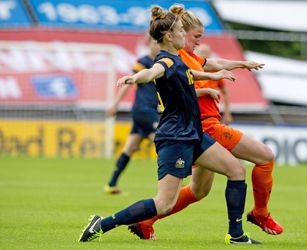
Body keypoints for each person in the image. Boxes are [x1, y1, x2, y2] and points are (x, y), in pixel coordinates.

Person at [78, 5, 260, 244]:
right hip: (176, 138)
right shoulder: (164, 61)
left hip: (193, 134)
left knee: (237, 170)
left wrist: (215, 77)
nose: (185, 35)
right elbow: (152, 72)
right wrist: (135, 78)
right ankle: (102, 224)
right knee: (164, 204)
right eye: (181, 32)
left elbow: (190, 75)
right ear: (168, 36)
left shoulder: (177, 59)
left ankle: (236, 235)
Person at [130, 5, 283, 241]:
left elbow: (210, 63)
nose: (199, 41)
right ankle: (259, 214)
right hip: (205, 126)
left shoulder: (189, 56)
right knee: (264, 156)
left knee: (198, 191)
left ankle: (145, 221)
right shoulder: (176, 56)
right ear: (181, 32)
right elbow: (182, 87)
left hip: (195, 130)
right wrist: (207, 90)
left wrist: (241, 64)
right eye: (196, 37)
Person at [104, 37, 160, 194]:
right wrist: (115, 104)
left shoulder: (160, 63)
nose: (157, 45)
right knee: (163, 142)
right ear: (149, 43)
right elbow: (129, 82)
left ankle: (111, 184)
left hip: (148, 110)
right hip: (144, 110)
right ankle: (169, 184)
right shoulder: (143, 61)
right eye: (155, 42)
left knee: (130, 147)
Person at [195, 43, 233, 125]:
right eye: (202, 53)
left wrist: (227, 113)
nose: (204, 56)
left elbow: (225, 92)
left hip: (209, 113)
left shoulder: (216, 72)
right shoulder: (192, 70)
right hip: (194, 112)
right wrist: (207, 91)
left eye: (207, 54)